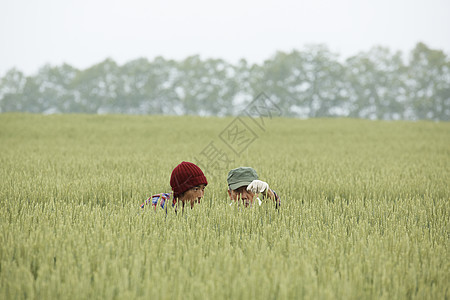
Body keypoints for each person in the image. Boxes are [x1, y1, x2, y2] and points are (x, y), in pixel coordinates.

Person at [140, 161, 208, 213]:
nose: (201, 195)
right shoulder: (157, 204)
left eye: (203, 189)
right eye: (195, 189)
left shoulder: (198, 210)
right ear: (181, 192)